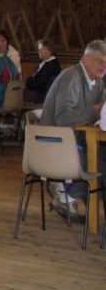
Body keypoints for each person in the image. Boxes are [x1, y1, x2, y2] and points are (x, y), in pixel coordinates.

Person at [40, 40, 106, 219]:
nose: (104, 66)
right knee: (101, 163)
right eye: (100, 61)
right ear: (86, 58)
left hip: (76, 140)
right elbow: (64, 118)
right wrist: (96, 110)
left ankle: (68, 195)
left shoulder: (97, 81)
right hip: (54, 144)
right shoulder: (72, 77)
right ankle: (63, 192)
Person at [24, 38, 61, 104]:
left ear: (50, 50)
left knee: (16, 93)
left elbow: (41, 84)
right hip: (39, 92)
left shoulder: (52, 65)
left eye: (42, 49)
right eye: (39, 49)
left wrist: (27, 85)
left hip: (42, 95)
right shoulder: (47, 63)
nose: (39, 51)